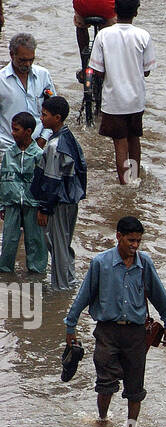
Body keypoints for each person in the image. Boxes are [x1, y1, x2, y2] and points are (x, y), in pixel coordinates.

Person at [64, 215, 166, 427]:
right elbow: (84, 296)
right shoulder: (100, 263)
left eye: (138, 241)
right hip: (107, 332)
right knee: (105, 384)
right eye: (130, 240)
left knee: (135, 388)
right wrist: (70, 325)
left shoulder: (145, 264)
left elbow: (159, 295)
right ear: (118, 237)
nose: (134, 246)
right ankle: (103, 422)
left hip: (136, 335)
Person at [88, 0, 155, 184]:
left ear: (114, 9)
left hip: (114, 100)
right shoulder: (143, 36)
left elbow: (97, 70)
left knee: (120, 145)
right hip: (136, 100)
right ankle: (134, 179)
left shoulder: (104, 36)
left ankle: (125, 184)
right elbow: (147, 70)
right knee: (135, 140)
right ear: (136, 11)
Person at [32, 96, 88, 291]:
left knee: (58, 247)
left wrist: (44, 208)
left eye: (44, 115)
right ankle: (69, 282)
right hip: (70, 200)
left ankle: (61, 289)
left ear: (57, 118)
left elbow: (52, 179)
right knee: (63, 244)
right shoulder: (68, 138)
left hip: (58, 203)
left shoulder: (55, 146)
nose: (41, 118)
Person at [0, 113, 47, 277]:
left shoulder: (39, 155)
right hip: (12, 204)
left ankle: (37, 276)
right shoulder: (8, 154)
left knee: (35, 242)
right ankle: (5, 276)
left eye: (16, 130)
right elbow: (2, 178)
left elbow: (44, 184)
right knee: (8, 242)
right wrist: (1, 205)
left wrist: (43, 208)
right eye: (12, 129)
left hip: (32, 205)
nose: (12, 133)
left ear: (28, 132)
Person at [0, 34, 55, 151]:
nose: (27, 64)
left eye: (31, 60)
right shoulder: (1, 80)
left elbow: (53, 112)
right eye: (23, 60)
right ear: (11, 55)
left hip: (39, 146)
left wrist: (43, 139)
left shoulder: (43, 75)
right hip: (7, 148)